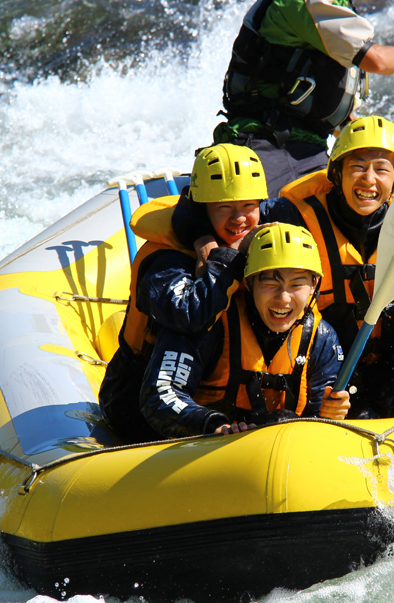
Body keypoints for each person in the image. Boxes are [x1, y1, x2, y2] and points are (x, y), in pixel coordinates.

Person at [216, 0, 394, 195]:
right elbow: (378, 60)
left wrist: (376, 152)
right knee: (271, 226)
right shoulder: (303, 1)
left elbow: (329, 106)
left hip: (311, 149)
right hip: (262, 142)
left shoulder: (336, 7)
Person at [98, 144, 268, 444]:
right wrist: (228, 258)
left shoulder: (265, 229)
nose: (239, 219)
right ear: (203, 210)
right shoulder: (164, 261)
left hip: (232, 404)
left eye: (248, 206)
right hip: (142, 410)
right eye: (224, 207)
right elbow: (190, 313)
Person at [140, 223, 351, 439]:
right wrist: (215, 426)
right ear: (249, 282)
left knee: (283, 420)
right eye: (270, 281)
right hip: (206, 451)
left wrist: (331, 413)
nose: (283, 298)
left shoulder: (322, 338)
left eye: (297, 285)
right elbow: (161, 394)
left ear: (314, 286)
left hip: (281, 449)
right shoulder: (208, 323)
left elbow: (317, 422)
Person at [279, 115, 394, 418]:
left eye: (382, 169)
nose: (369, 180)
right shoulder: (293, 213)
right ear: (337, 173)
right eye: (357, 166)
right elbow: (236, 217)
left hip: (391, 373)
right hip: (326, 377)